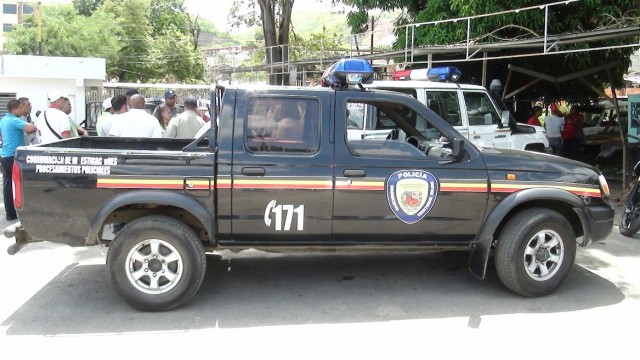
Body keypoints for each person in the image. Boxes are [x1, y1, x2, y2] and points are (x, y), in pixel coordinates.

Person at [0, 100, 36, 221]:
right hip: (12, 155)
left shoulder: (4, 120)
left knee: (7, 184)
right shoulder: (14, 120)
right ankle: (20, 210)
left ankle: (10, 212)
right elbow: (30, 127)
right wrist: (34, 125)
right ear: (15, 109)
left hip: (4, 154)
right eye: (21, 108)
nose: (22, 110)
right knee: (18, 183)